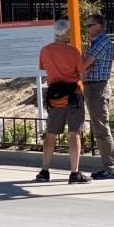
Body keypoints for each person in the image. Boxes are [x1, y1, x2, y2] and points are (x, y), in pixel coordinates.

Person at [35, 19, 91, 184]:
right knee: (74, 134)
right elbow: (81, 76)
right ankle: (74, 173)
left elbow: (46, 71)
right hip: (74, 94)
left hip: (55, 96)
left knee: (50, 134)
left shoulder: (44, 51)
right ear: (67, 33)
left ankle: (45, 171)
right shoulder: (73, 52)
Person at [81, 13, 114, 180]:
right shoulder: (96, 42)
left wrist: (82, 67)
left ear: (98, 26)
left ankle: (111, 170)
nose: (86, 29)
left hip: (98, 88)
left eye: (89, 26)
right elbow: (84, 67)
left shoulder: (102, 42)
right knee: (99, 129)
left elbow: (83, 64)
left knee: (102, 130)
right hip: (92, 87)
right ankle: (108, 168)